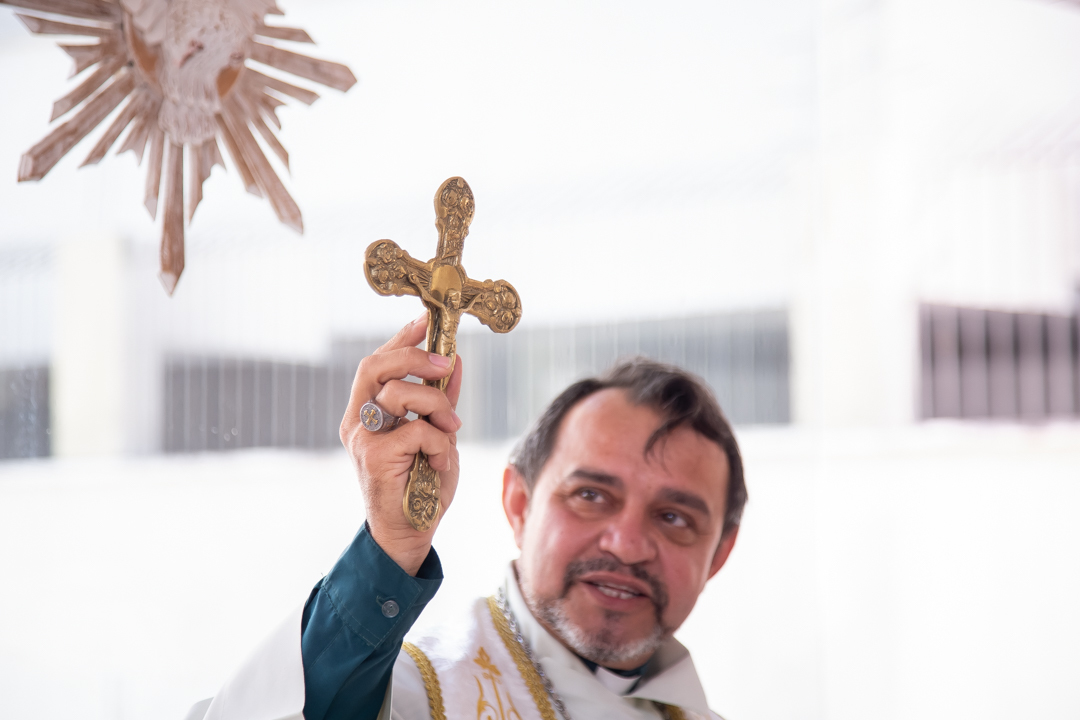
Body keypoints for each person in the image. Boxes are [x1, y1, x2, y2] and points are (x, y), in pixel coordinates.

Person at [187, 314, 747, 720]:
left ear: (719, 554)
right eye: (591, 496)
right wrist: (389, 546)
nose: (626, 544)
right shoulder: (412, 695)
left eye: (674, 518)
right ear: (519, 504)